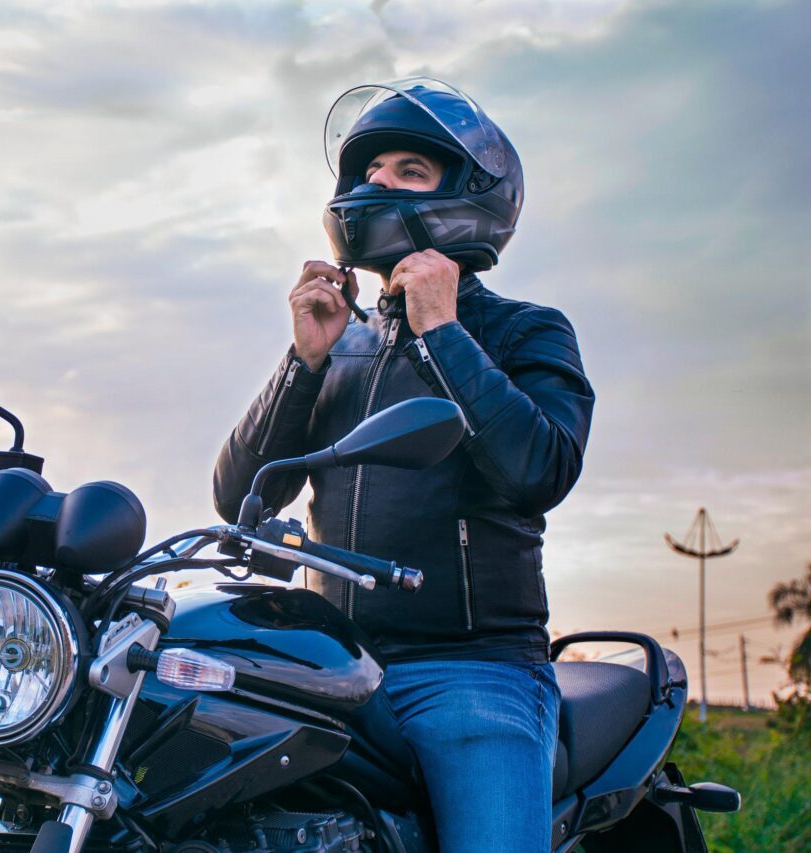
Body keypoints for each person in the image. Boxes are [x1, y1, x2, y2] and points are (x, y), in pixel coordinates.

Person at [213, 79, 595, 851]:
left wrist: (444, 334)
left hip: (473, 672)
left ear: (471, 195)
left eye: (408, 170)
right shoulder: (341, 342)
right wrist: (304, 361)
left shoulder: (525, 331)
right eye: (369, 169)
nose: (375, 183)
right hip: (331, 664)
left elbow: (541, 470)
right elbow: (239, 493)